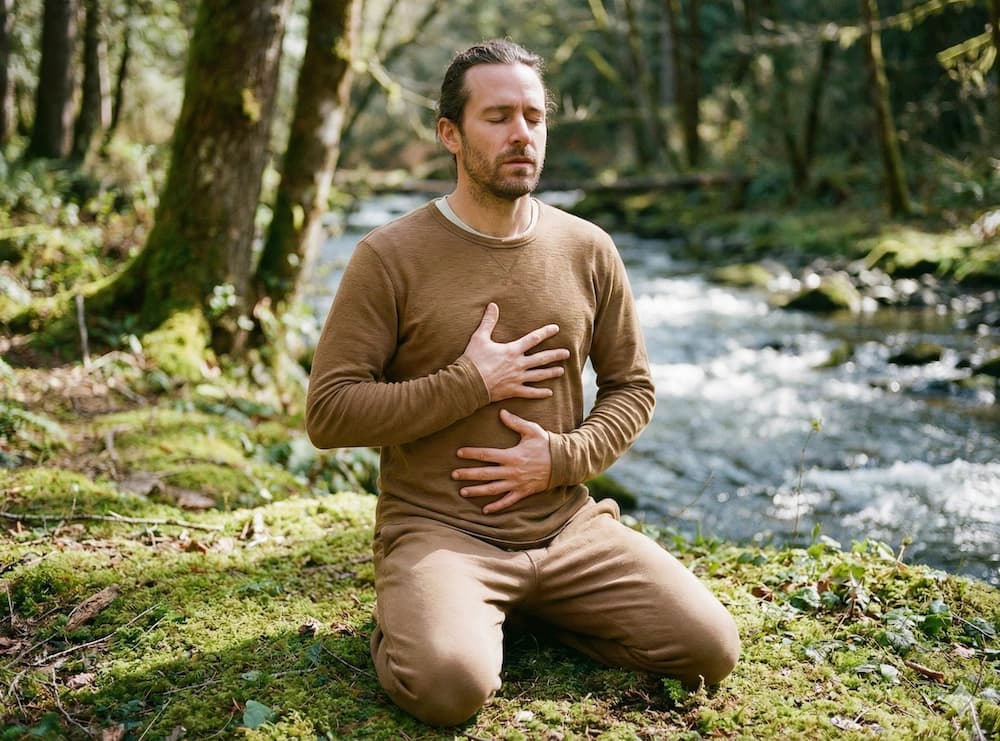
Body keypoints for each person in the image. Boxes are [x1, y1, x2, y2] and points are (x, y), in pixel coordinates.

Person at [305, 38, 739, 727]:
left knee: (709, 649)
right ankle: (427, 618)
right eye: (498, 116)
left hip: (568, 528)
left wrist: (562, 459)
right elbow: (329, 413)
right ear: (450, 132)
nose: (522, 135)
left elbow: (634, 387)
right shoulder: (388, 256)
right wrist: (469, 383)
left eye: (534, 118)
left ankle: (522, 614)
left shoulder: (588, 248)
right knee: (449, 687)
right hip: (441, 532)